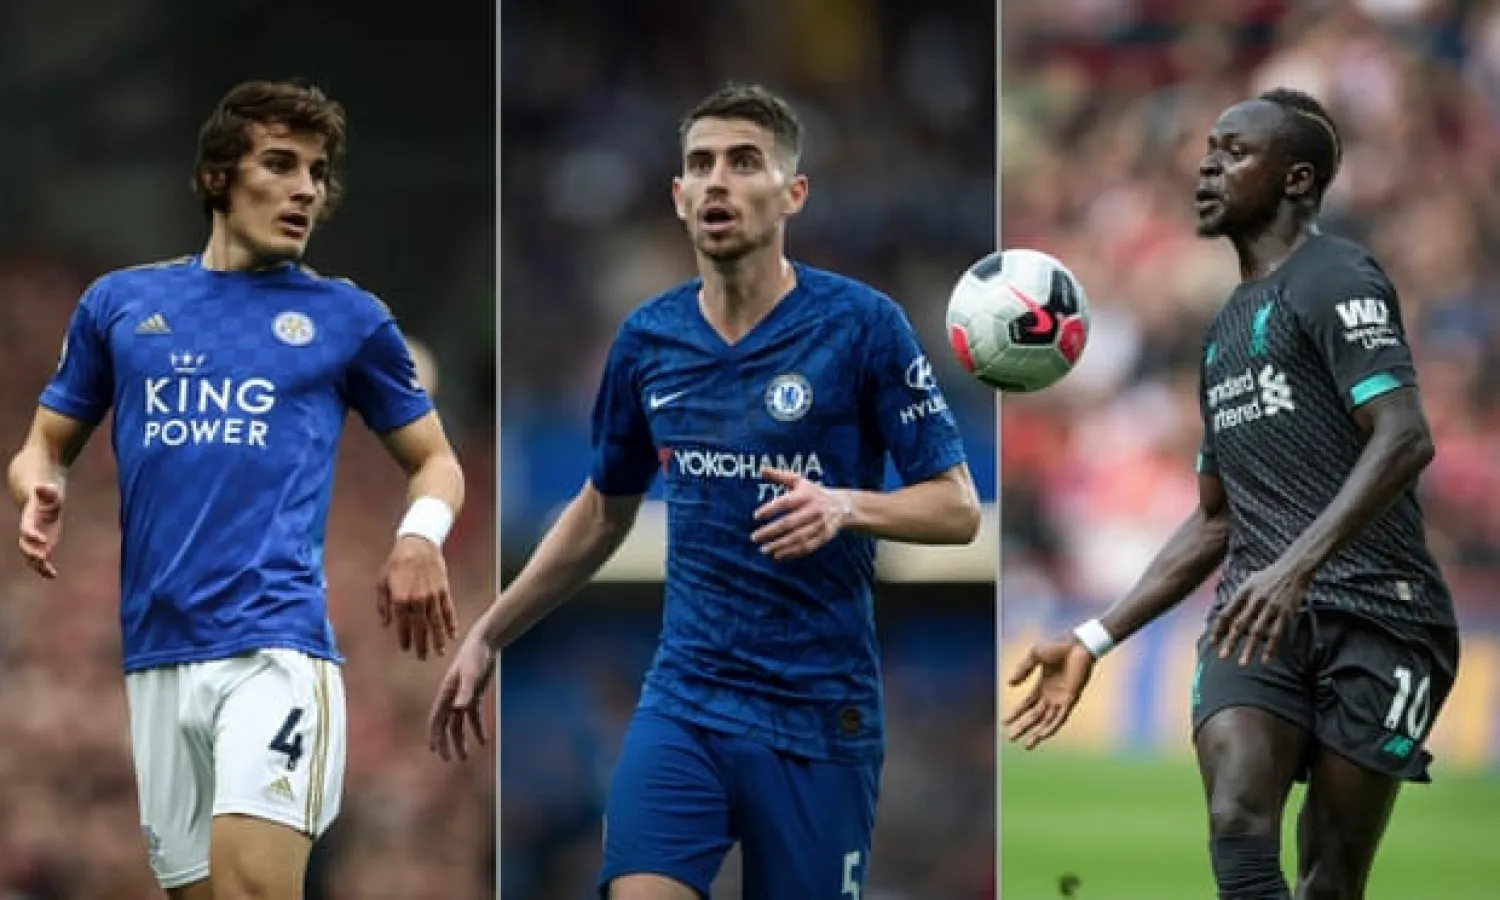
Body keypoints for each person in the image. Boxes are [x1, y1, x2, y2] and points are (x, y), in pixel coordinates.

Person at [430, 82, 981, 899]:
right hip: (687, 702)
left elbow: (959, 508)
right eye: (701, 164)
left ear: (791, 193)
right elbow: (602, 511)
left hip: (820, 716)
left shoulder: (863, 326)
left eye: (744, 162)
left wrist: (847, 507)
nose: (719, 180)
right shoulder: (648, 340)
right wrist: (490, 633)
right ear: (680, 197)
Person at [7, 80, 466, 900]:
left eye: (317, 173)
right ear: (218, 177)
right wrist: (41, 485)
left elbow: (437, 461)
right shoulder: (121, 305)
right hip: (156, 658)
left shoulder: (347, 319)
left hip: (272, 648)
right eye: (281, 165)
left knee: (254, 891)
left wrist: (417, 536)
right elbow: (44, 443)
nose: (305, 190)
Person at [1004, 88, 1461, 900]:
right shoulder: (1221, 332)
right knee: (1237, 817)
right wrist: (1094, 638)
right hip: (1255, 619)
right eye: (1208, 148)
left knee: (1331, 878)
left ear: (1296, 180)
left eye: (1234, 151)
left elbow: (1405, 436)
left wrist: (1295, 567)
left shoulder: (1335, 275)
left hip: (1381, 616)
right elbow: (1217, 519)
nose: (1208, 164)